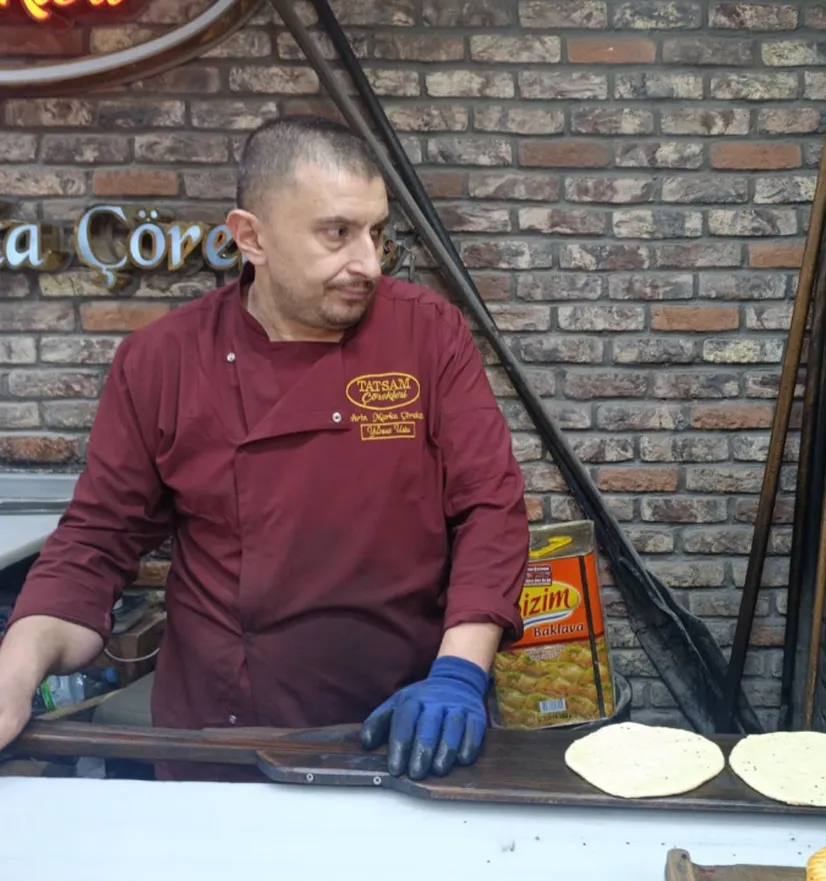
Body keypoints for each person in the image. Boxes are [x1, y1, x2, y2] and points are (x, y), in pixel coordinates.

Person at [0, 115, 530, 782]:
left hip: (402, 720)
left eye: (375, 232)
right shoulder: (162, 360)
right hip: (221, 737)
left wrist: (458, 672)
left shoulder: (428, 335)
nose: (367, 261)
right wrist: (13, 674)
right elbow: (96, 542)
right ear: (251, 236)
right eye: (337, 233)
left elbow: (490, 509)